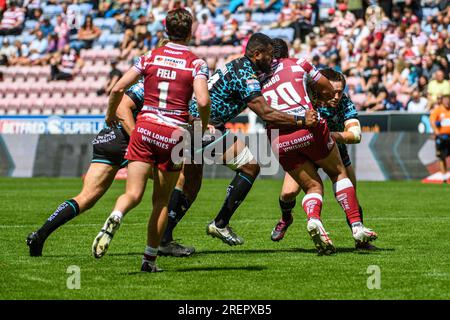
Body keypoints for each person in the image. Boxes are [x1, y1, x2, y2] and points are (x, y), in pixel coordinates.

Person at [160, 33, 331, 250]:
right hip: (204, 126)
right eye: (269, 55)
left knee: (190, 185)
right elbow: (265, 113)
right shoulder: (246, 73)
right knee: (250, 166)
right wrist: (300, 120)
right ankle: (220, 223)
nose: (271, 60)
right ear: (257, 54)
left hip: (193, 124)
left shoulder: (239, 66)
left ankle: (164, 240)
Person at [92, 9, 211, 273]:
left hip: (144, 129)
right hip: (173, 136)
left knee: (132, 194)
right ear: (190, 30)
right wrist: (202, 124)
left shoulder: (149, 57)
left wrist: (111, 113)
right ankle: (149, 261)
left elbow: (117, 88)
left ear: (166, 29)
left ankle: (115, 216)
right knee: (161, 201)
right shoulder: (196, 63)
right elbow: (203, 100)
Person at [265, 40, 377, 254]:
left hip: (329, 145)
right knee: (288, 194)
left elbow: (355, 134)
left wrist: (331, 136)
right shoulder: (307, 94)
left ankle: (359, 237)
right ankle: (285, 218)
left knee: (349, 189)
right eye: (333, 91)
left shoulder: (343, 102)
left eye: (340, 92)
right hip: (312, 141)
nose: (336, 96)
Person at [26, 81, 145, 256]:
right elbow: (121, 104)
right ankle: (162, 242)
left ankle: (40, 234)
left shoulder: (147, 80)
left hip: (109, 138)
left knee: (86, 197)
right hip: (129, 138)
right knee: (170, 181)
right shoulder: (153, 84)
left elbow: (117, 95)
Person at [429, 94, 450, 183]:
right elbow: (432, 121)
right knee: (442, 157)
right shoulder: (438, 110)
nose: (447, 102)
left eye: (448, 100)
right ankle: (444, 177)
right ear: (442, 101)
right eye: (445, 100)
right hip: (442, 137)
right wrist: (436, 131)